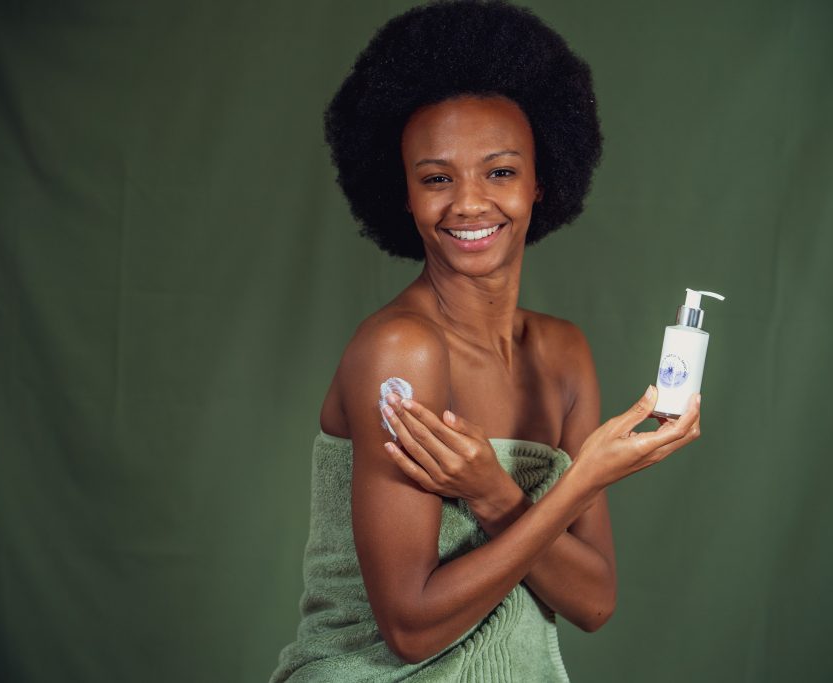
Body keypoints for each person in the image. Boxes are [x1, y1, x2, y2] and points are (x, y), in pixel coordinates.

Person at [271, 2, 701, 680]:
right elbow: (410, 628)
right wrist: (582, 477)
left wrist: (495, 493)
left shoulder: (563, 356)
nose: (469, 203)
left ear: (541, 182)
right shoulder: (402, 353)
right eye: (436, 178)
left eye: (499, 171)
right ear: (404, 195)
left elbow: (593, 601)